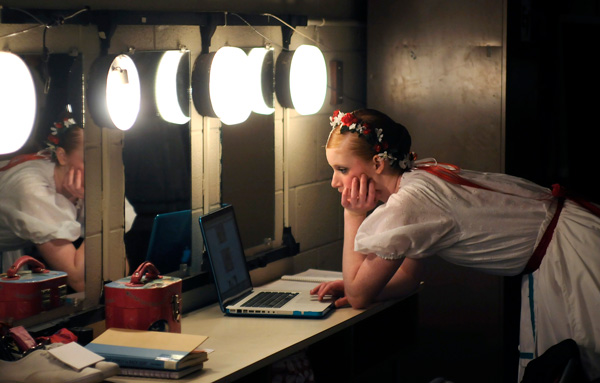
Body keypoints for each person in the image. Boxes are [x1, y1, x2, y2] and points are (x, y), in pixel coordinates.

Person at [310, 109, 600, 380]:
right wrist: (357, 283)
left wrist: (353, 215)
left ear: (377, 163)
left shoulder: (408, 203)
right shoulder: (416, 181)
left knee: (585, 359)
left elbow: (359, 297)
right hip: (567, 241)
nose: (335, 182)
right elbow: (410, 278)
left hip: (572, 254)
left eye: (342, 169)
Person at [0, 115, 85, 292]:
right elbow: (80, 279)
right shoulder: (32, 188)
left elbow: (113, 272)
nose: (101, 166)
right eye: (89, 158)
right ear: (62, 156)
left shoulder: (84, 180)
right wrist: (101, 209)